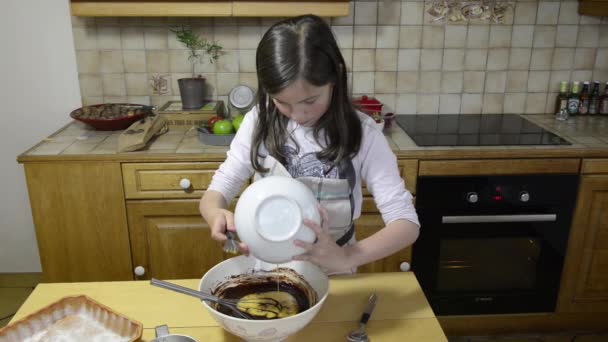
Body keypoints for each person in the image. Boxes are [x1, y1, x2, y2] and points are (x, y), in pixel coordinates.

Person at [199, 14, 419, 274]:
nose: (297, 115)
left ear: (335, 76)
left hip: (335, 270)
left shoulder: (363, 134)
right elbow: (218, 191)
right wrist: (215, 213)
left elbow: (406, 224)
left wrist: (347, 257)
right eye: (282, 102)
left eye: (309, 101)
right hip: (267, 269)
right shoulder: (258, 121)